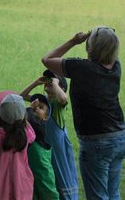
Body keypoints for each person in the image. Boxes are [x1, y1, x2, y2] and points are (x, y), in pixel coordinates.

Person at [42, 26, 125, 200]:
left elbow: (47, 59)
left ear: (90, 47)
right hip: (119, 137)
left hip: (96, 142)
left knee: (98, 196)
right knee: (113, 192)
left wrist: (74, 41)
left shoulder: (81, 67)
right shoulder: (116, 66)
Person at [42, 70, 78, 200]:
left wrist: (56, 83)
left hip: (59, 151)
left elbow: (63, 98)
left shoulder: (58, 105)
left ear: (61, 87)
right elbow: (23, 95)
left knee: (63, 178)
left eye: (52, 81)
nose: (49, 82)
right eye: (48, 80)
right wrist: (36, 83)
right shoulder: (43, 103)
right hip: (47, 150)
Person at [20, 81, 59, 200]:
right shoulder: (30, 118)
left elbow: (30, 117)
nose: (36, 108)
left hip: (43, 169)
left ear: (46, 116)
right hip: (30, 168)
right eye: (35, 106)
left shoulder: (41, 124)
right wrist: (36, 83)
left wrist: (32, 108)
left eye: (41, 108)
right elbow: (20, 98)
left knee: (48, 191)